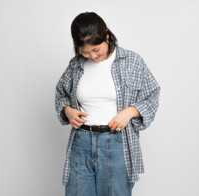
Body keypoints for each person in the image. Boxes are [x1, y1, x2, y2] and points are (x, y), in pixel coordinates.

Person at [55, 12, 161, 196]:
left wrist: (130, 112)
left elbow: (152, 94)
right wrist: (68, 111)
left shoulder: (132, 61)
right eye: (85, 51)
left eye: (96, 49)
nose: (92, 56)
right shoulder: (75, 65)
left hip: (117, 142)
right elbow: (61, 94)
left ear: (106, 35)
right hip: (81, 142)